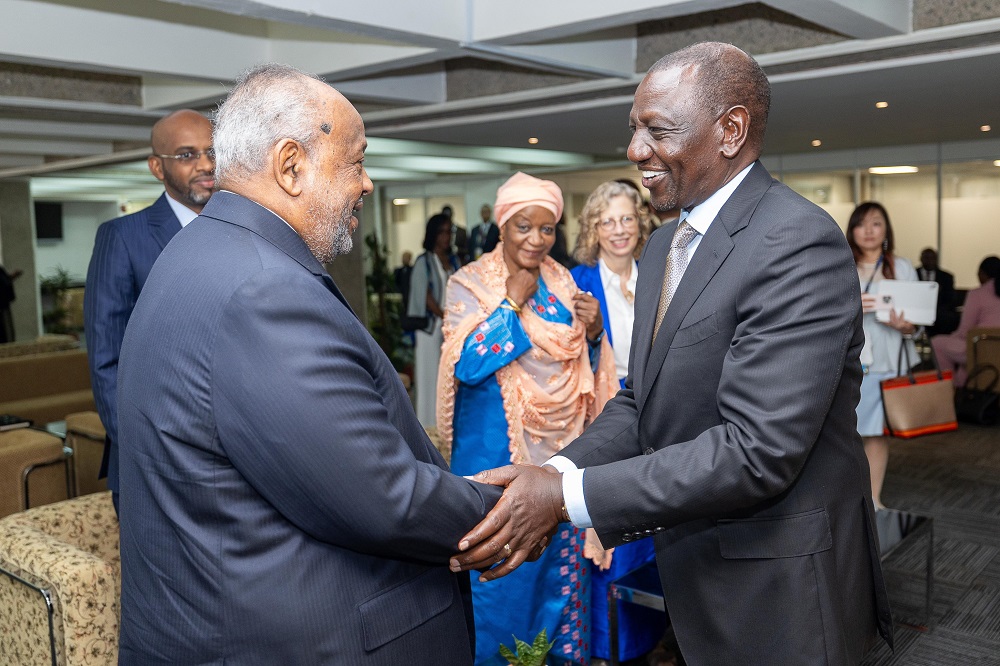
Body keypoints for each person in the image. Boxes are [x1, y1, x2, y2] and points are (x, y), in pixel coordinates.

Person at [451, 42, 893, 665]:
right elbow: (642, 399)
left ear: (731, 130)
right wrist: (556, 473)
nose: (635, 151)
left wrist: (566, 500)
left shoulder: (796, 241)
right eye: (634, 129)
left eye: (658, 130)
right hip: (695, 569)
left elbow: (756, 451)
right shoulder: (665, 248)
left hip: (779, 586)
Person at [115, 63, 502, 665]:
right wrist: (515, 505)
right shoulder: (263, 290)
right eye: (356, 160)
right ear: (290, 164)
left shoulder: (200, 250)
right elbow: (383, 498)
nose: (367, 183)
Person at [437, 172, 619, 665]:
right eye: (524, 227)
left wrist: (596, 330)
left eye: (547, 229)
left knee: (556, 583)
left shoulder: (563, 282)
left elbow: (583, 369)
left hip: (561, 461)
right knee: (501, 583)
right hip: (493, 461)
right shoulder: (468, 283)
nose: (536, 240)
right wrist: (511, 302)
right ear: (502, 226)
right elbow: (467, 364)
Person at [84, 108, 216, 512]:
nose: (207, 165)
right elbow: (108, 360)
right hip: (153, 461)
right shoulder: (122, 237)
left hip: (231, 458)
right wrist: (144, 450)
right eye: (187, 155)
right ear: (157, 167)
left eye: (213, 152)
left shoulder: (243, 230)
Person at [569, 181, 662, 664]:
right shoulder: (577, 282)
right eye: (608, 221)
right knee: (607, 527)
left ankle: (650, 640)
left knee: (655, 526)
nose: (619, 229)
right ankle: (611, 647)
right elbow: (566, 358)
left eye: (626, 218)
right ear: (594, 229)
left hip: (660, 416)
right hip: (604, 416)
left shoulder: (658, 274)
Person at [847, 202, 919, 509]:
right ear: (852, 230)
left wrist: (904, 324)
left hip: (886, 360)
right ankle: (849, 496)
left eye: (875, 224)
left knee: (875, 432)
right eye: (861, 224)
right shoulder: (840, 263)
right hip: (849, 361)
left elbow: (915, 325)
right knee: (847, 433)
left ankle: (873, 498)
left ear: (886, 229)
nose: (868, 231)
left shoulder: (901, 268)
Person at [408, 214, 460, 427]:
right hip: (430, 329)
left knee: (448, 380)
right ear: (433, 234)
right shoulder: (424, 261)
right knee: (430, 378)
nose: (446, 236)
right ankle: (428, 427)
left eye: (449, 231)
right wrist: (444, 316)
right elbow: (425, 296)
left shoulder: (454, 260)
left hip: (451, 328)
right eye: (442, 232)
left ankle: (446, 425)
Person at [932, 255, 1000, 387]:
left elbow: (965, 332)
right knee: (965, 367)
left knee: (937, 344)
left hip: (981, 349)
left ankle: (951, 389)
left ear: (982, 273)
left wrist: (952, 337)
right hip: (991, 351)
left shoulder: (977, 294)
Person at [919, 247, 959, 335]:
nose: (930, 261)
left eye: (932, 258)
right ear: (921, 259)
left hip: (939, 314)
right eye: (927, 258)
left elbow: (951, 299)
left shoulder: (946, 277)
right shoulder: (913, 274)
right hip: (917, 310)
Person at [0, 264, 21, 343]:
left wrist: (13, 276)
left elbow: (5, 281)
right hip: (2, 305)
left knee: (7, 331)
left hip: (4, 305)